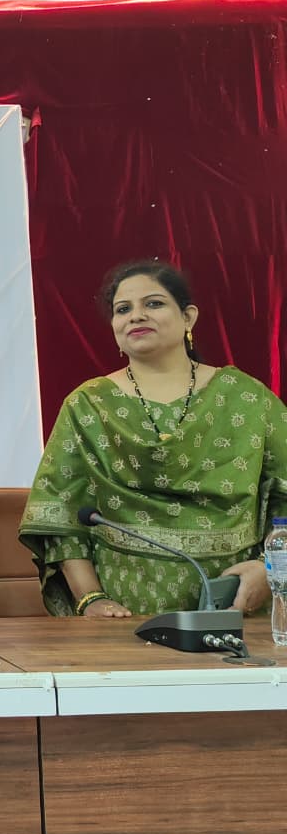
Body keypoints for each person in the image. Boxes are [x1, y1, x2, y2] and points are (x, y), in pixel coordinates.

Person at [19, 260, 287, 618]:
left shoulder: (247, 398)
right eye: (123, 309)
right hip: (122, 615)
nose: (136, 316)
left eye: (154, 303)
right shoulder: (89, 405)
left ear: (188, 317)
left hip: (236, 608)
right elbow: (60, 515)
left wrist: (269, 571)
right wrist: (91, 600)